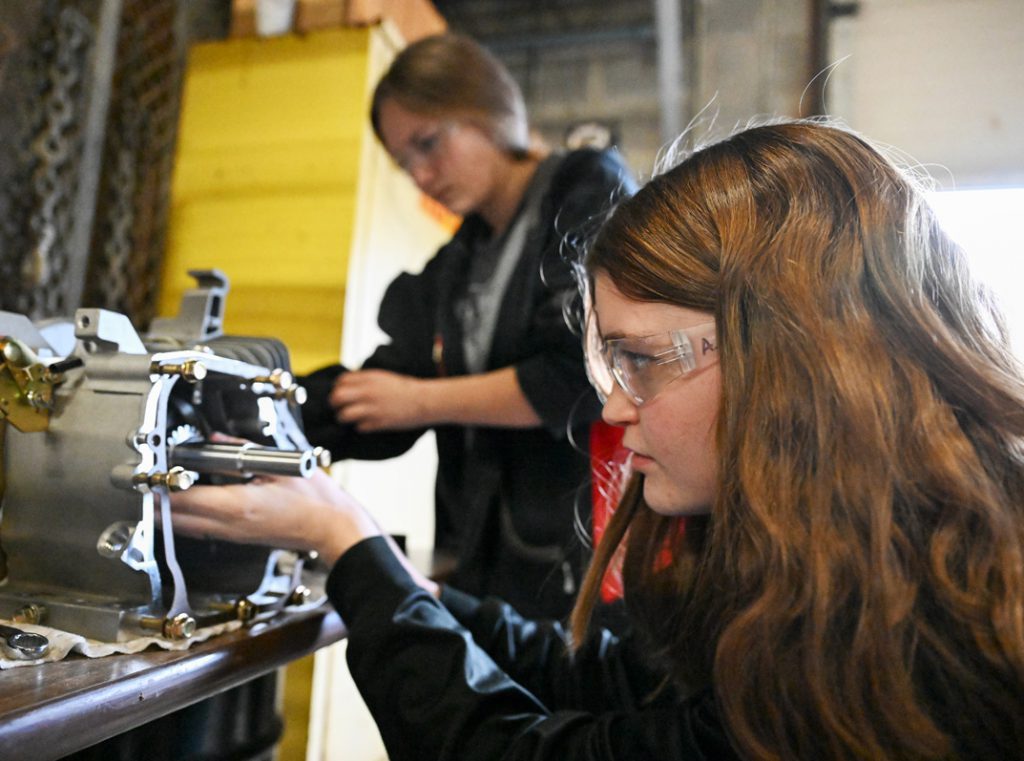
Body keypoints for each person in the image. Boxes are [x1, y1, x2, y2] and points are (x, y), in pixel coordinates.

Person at [172, 120, 1024, 760]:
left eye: (643, 360)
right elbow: (611, 681)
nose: (614, 409)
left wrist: (348, 544)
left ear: (798, 362)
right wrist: (361, 570)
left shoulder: (909, 660)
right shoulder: (827, 581)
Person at [299, 32, 636, 619]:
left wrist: (421, 401)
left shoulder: (586, 190)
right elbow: (389, 392)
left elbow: (577, 377)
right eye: (405, 164)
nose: (422, 176)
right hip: (482, 557)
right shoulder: (459, 262)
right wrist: (274, 410)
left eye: (429, 144)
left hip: (576, 558)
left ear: (487, 109)